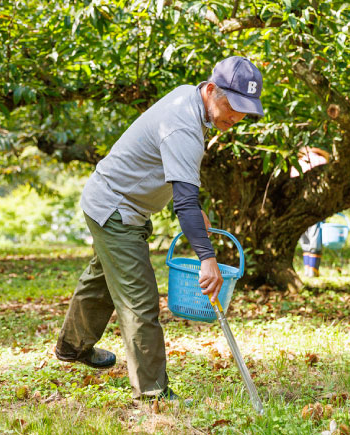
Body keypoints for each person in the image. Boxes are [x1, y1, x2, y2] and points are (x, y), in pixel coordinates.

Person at [54, 57, 264, 401]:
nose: (237, 117)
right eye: (233, 106)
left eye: (245, 111)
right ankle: (152, 396)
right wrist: (207, 258)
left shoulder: (191, 99)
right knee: (139, 301)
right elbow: (182, 200)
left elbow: (176, 176)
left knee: (104, 279)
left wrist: (195, 208)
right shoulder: (184, 122)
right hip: (115, 207)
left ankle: (72, 346)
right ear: (211, 90)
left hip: (115, 201)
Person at [290, 147, 330, 277]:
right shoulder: (323, 160)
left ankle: (308, 268)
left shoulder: (299, 162)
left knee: (304, 236)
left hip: (299, 202)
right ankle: (313, 269)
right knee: (315, 233)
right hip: (318, 202)